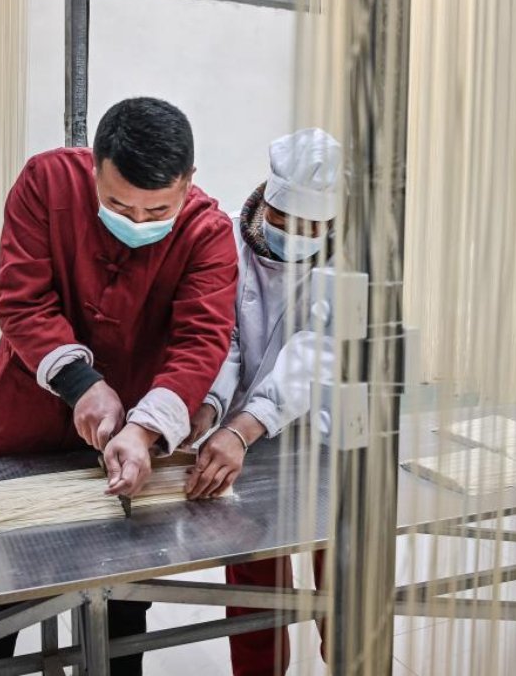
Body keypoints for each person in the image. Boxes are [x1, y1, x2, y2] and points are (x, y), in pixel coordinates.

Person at [0, 96, 239, 674]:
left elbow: (200, 342)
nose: (136, 223)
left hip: (129, 442)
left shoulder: (209, 233)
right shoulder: (46, 182)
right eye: (117, 204)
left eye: (157, 209)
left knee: (120, 604)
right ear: (93, 167)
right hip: (22, 426)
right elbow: (22, 298)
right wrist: (82, 384)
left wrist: (145, 429)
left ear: (189, 183)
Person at [184, 127, 340, 676]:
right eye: (284, 222)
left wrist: (244, 426)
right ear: (265, 202)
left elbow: (315, 353)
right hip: (245, 443)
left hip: (325, 441)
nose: (295, 236)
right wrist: (205, 407)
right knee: (256, 589)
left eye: (312, 228)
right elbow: (221, 336)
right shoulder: (226, 241)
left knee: (345, 579)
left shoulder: (349, 261)